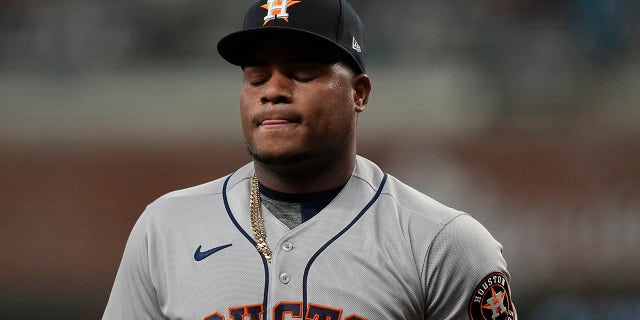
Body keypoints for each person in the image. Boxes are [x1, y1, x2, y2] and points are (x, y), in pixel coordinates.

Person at [103, 0, 517, 319]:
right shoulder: (166, 227)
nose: (273, 91)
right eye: (256, 77)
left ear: (359, 93)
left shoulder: (442, 243)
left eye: (301, 73)